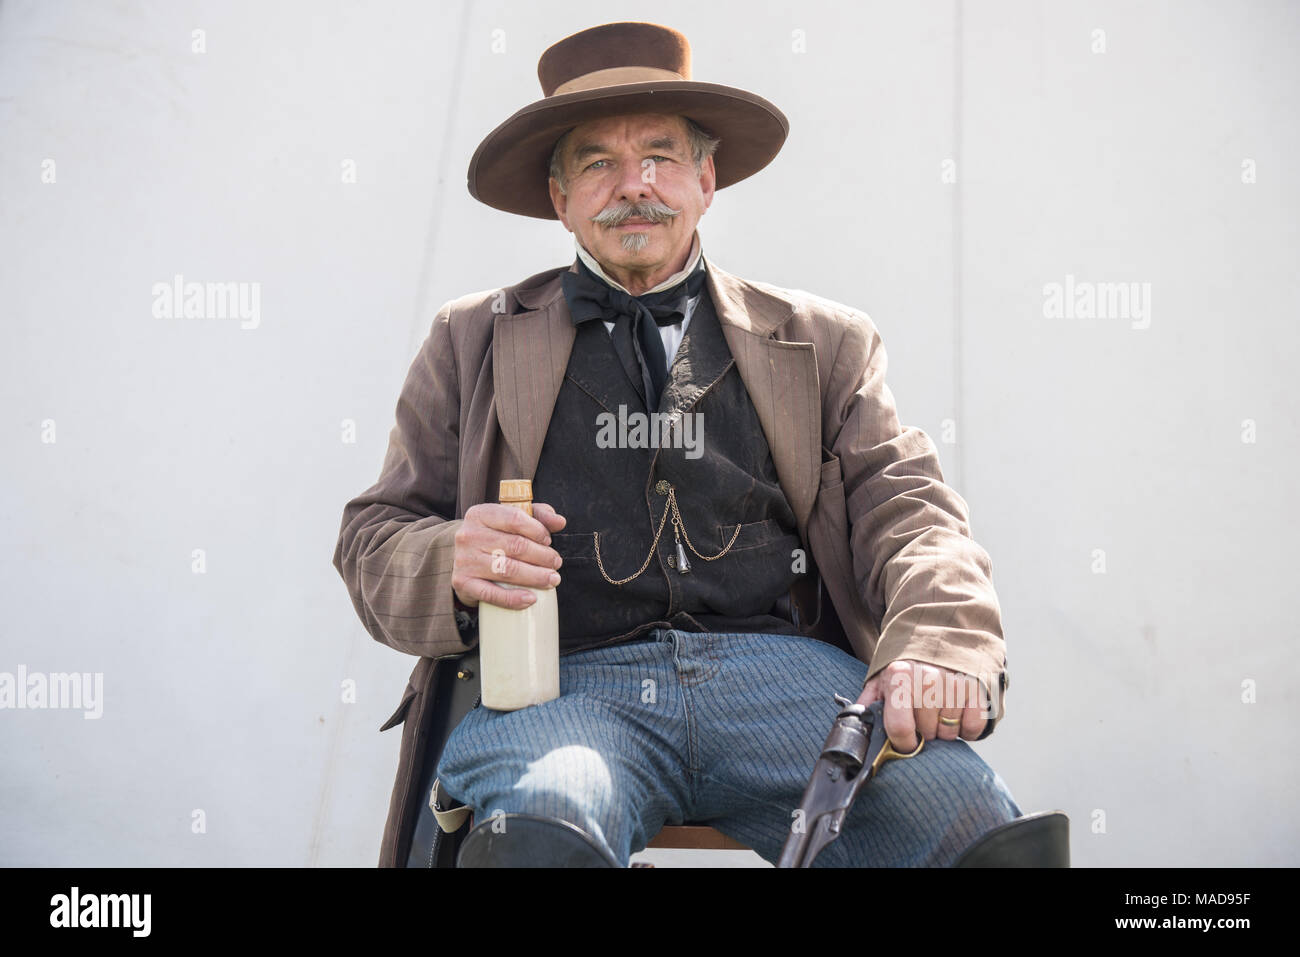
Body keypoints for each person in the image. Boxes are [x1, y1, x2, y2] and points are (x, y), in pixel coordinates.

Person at [333, 20, 1021, 867]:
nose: (636, 186)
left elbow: (916, 518)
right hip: (569, 691)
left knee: (978, 832)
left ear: (706, 179)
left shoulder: (828, 341)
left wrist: (939, 641)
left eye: (660, 157)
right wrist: (451, 556)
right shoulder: (468, 340)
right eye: (598, 163)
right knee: (538, 831)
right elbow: (372, 536)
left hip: (791, 687)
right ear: (560, 199)